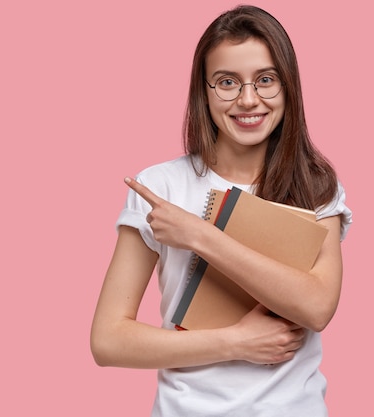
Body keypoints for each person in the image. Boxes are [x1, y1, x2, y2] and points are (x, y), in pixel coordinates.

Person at [90, 5, 352, 417]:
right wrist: (236, 342)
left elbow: (317, 307)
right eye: (227, 82)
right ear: (204, 90)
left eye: (266, 80)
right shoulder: (161, 187)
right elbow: (108, 341)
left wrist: (200, 236)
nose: (248, 100)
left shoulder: (316, 185)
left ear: (288, 87)